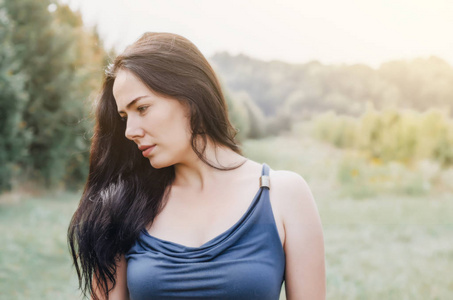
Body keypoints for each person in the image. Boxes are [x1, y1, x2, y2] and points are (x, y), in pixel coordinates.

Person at [68, 32, 325, 300]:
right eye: (124, 117)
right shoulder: (122, 207)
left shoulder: (283, 194)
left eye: (142, 108)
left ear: (191, 96)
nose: (129, 131)